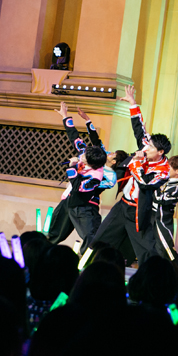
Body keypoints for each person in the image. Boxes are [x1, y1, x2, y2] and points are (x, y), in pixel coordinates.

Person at [90, 85, 171, 265]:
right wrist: (133, 103)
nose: (146, 148)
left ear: (160, 152)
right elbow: (139, 128)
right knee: (100, 240)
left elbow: (144, 182)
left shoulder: (163, 170)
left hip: (138, 211)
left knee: (146, 250)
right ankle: (88, 269)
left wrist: (135, 161)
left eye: (150, 147)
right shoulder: (146, 148)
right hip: (122, 206)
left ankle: (150, 277)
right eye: (147, 145)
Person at [47, 102, 119, 253]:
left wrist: (72, 167)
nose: (109, 152)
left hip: (85, 205)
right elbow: (77, 139)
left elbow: (80, 186)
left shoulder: (102, 175)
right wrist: (66, 117)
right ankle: (41, 254)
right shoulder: (93, 155)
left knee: (91, 237)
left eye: (113, 155)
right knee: (54, 233)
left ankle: (88, 263)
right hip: (70, 200)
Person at [152, 154, 178, 275]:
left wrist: (152, 187)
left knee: (165, 247)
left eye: (169, 168)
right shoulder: (165, 178)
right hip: (152, 214)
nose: (165, 169)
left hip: (163, 218)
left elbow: (160, 198)